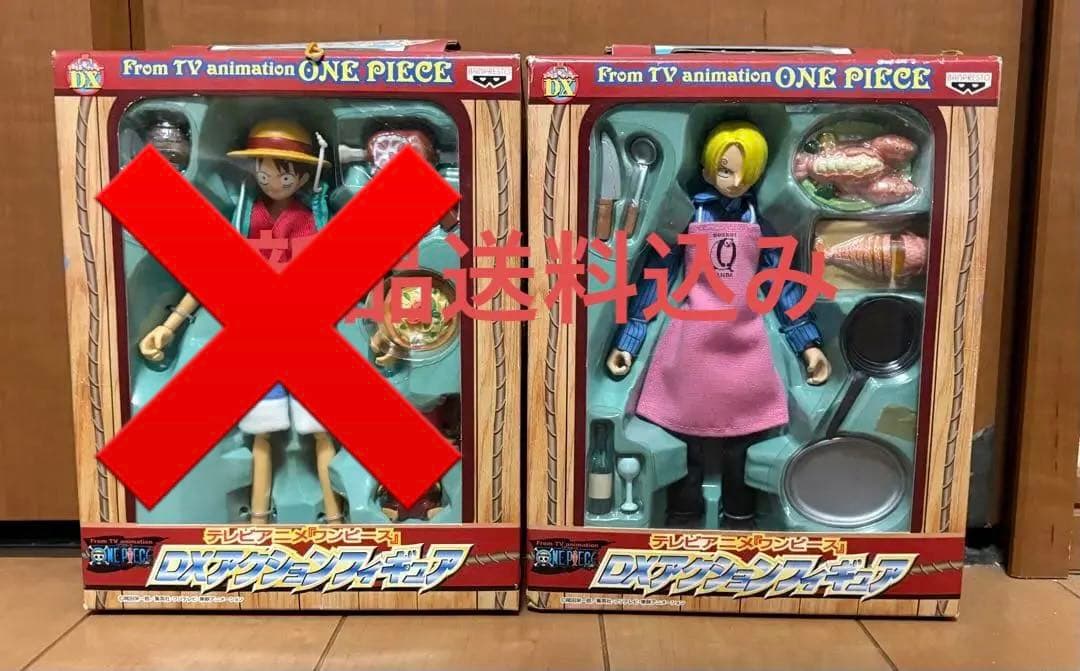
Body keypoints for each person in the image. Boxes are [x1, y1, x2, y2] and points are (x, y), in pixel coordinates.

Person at [606, 121, 831, 529]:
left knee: (741, 444)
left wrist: (807, 344)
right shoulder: (689, 217)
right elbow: (657, 278)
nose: (735, 181)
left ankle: (741, 519)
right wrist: (631, 338)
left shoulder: (759, 223)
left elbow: (781, 284)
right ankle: (682, 517)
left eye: (746, 174)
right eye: (725, 170)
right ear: (707, 170)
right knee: (685, 443)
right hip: (691, 343)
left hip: (743, 343)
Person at [138, 119, 342, 524]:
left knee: (321, 432)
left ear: (303, 177)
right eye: (264, 173)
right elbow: (211, 279)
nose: (273, 182)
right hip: (259, 339)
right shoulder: (247, 220)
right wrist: (170, 325)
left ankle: (334, 515)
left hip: (305, 339)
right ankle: (259, 518)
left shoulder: (309, 220)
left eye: (284, 175)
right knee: (261, 434)